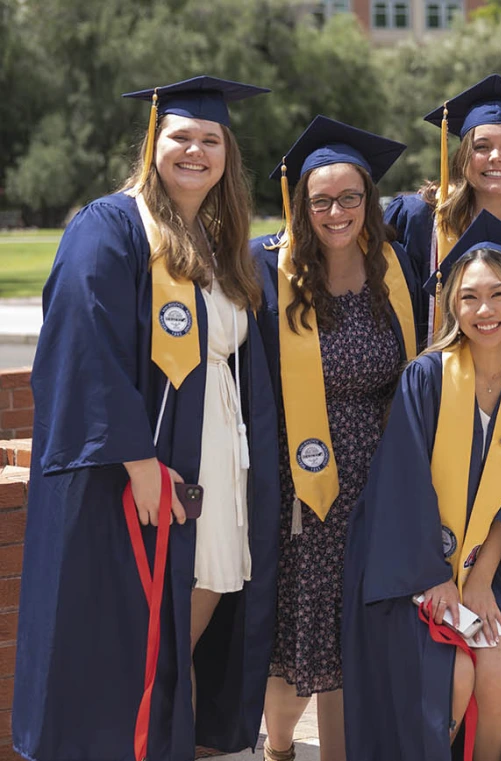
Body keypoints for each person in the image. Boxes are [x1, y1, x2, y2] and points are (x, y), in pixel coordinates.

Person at [13, 76, 279, 761]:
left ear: (228, 154)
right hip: (143, 468)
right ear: (152, 142)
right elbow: (83, 344)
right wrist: (136, 463)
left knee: (199, 606)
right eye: (181, 136)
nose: (196, 150)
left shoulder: (219, 244)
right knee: (130, 638)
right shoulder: (110, 227)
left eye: (211, 139)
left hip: (217, 460)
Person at [341, 211, 501, 761]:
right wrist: (435, 577)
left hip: (482, 572)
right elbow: (403, 483)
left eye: (498, 295)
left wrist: (482, 579)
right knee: (452, 679)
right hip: (408, 571)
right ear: (451, 306)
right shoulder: (428, 376)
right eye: (468, 297)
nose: (483, 310)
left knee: (498, 686)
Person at [384, 76, 501, 714]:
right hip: (436, 416)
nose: (496, 159)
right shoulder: (421, 216)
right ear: (461, 156)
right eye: (482, 146)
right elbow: (339, 226)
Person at [251, 116, 420, 761]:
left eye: (351, 197)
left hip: (378, 471)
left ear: (368, 202)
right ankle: (280, 748)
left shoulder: (395, 269)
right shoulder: (269, 269)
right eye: (320, 200)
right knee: (302, 624)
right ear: (301, 205)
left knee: (354, 631)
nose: (336, 211)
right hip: (299, 474)